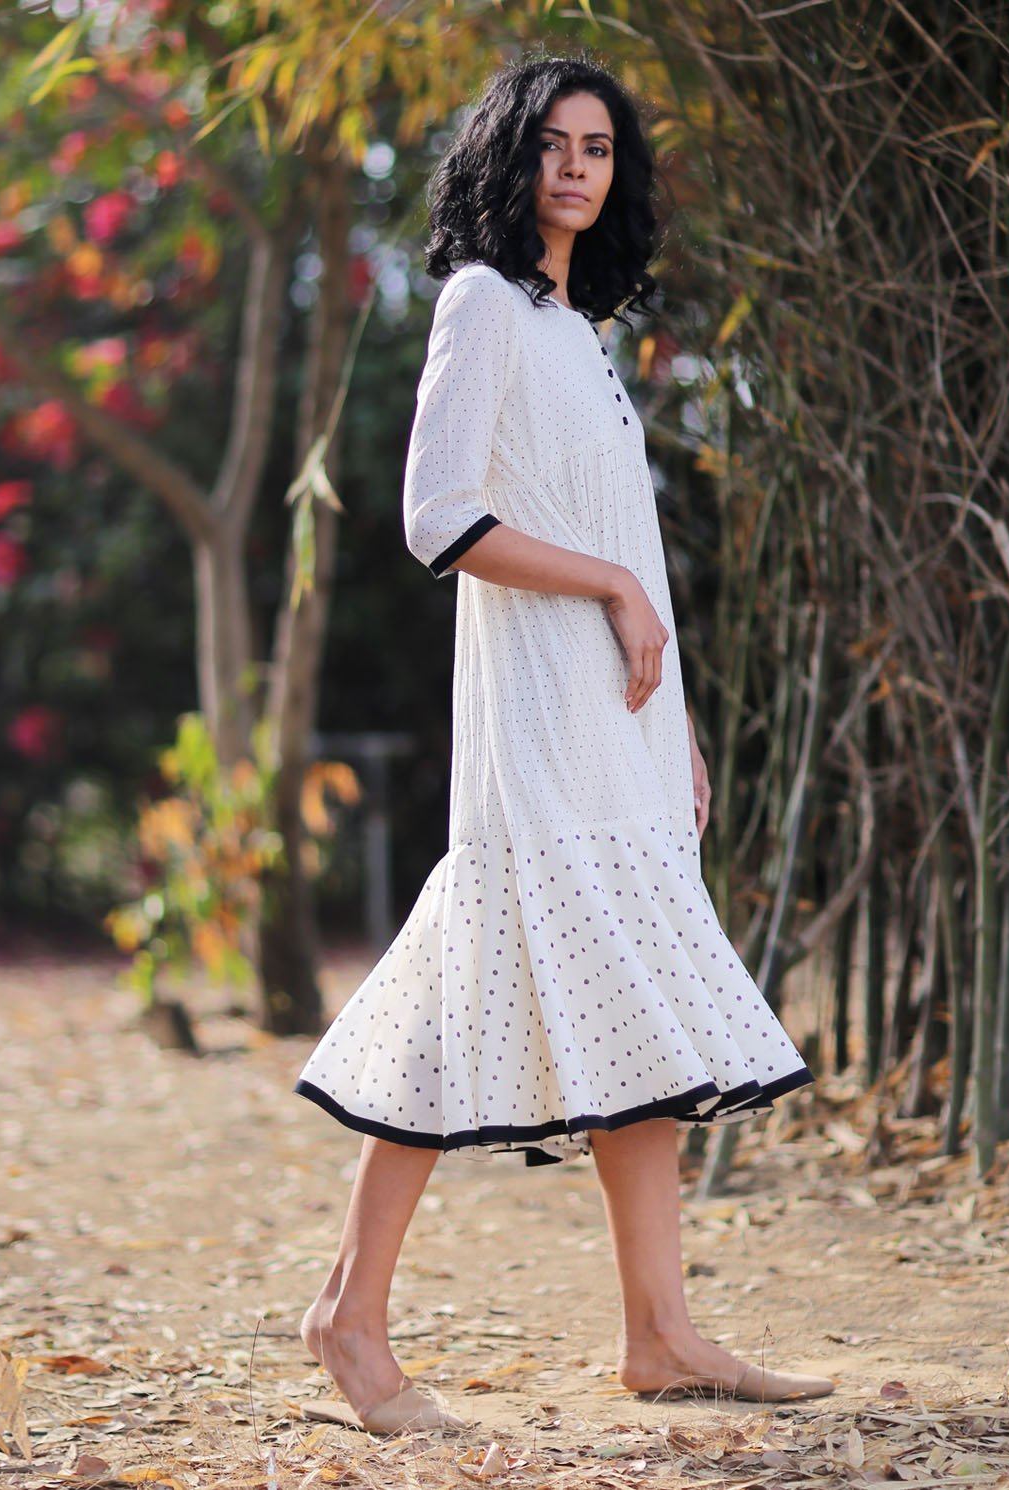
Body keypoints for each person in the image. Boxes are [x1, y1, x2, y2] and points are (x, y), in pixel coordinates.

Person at [293, 54, 835, 1435]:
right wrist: (607, 592)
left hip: (622, 720)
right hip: (538, 711)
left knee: (632, 1009)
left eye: (598, 147)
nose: (577, 167)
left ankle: (660, 1333)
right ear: (509, 156)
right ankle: (351, 1318)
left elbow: (622, 541)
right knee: (476, 980)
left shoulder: (577, 330)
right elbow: (438, 517)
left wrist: (678, 720)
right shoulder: (481, 302)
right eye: (552, 143)